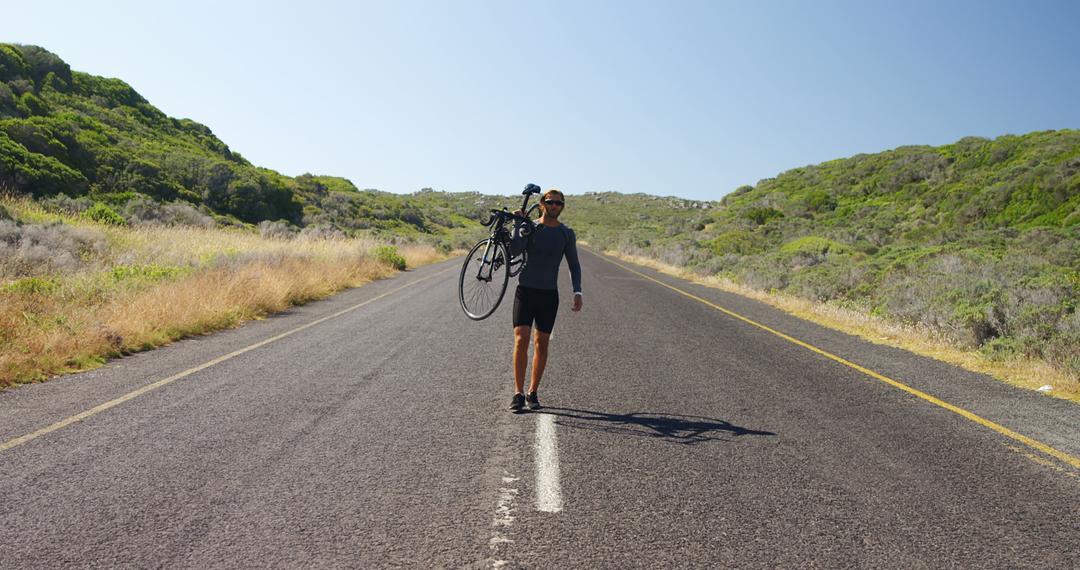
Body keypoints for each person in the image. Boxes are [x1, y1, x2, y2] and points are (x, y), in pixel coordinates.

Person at [506, 189, 583, 412]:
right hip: (526, 291)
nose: (555, 206)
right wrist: (518, 226)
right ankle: (518, 393)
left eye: (559, 204)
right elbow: (514, 250)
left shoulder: (566, 234)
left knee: (542, 343)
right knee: (521, 339)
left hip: (549, 295)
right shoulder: (531, 227)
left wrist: (578, 291)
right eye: (551, 202)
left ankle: (533, 392)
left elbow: (574, 265)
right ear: (542, 204)